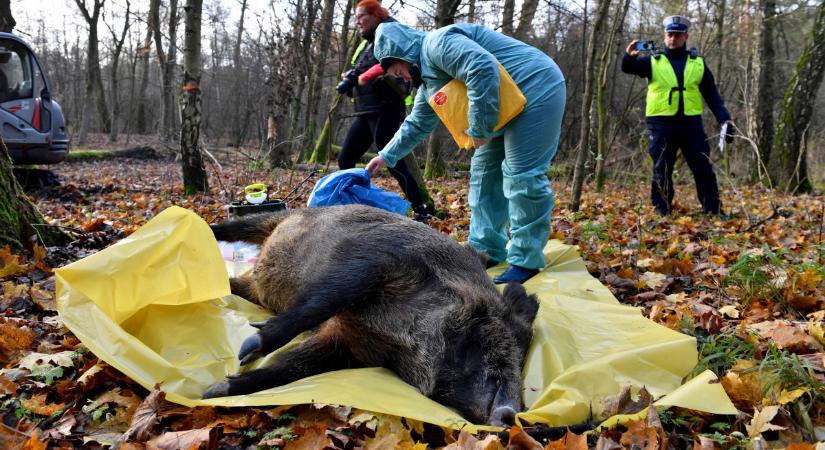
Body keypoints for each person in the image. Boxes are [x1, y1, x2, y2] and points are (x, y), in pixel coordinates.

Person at [364, 22, 566, 284]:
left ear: (403, 54)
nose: (402, 77)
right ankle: (485, 250)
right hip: (503, 104)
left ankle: (526, 259)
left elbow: (481, 67)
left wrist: (480, 127)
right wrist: (385, 156)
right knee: (483, 175)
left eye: (399, 70)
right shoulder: (428, 86)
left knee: (521, 175)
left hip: (536, 86)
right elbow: (416, 124)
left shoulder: (438, 44)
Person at [622, 15, 735, 217]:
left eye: (677, 35)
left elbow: (712, 95)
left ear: (685, 37)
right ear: (665, 36)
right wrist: (629, 56)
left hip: (691, 125)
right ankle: (661, 209)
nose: (673, 39)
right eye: (669, 34)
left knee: (702, 167)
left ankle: (713, 209)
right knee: (661, 168)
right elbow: (628, 68)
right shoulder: (652, 61)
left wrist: (724, 119)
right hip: (661, 124)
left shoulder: (697, 63)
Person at [336, 0, 430, 222]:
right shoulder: (365, 45)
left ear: (377, 15)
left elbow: (400, 74)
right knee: (345, 159)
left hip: (387, 110)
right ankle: (354, 208)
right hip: (365, 111)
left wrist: (367, 76)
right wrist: (352, 80)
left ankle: (421, 209)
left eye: (362, 16)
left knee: (393, 161)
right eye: (355, 18)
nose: (357, 21)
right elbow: (361, 74)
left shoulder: (390, 36)